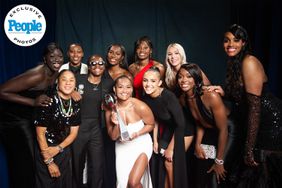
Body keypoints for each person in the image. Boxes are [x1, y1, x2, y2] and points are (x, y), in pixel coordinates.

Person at [211, 24, 282, 187]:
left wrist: (249, 148)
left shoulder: (249, 61)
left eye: (236, 40)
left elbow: (255, 108)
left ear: (243, 43)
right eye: (226, 40)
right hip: (257, 121)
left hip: (271, 122)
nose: (230, 45)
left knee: (263, 172)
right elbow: (243, 96)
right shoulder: (236, 62)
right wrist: (224, 92)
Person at [0, 42, 64, 188]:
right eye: (52, 56)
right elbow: (2, 91)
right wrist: (32, 101)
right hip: (13, 121)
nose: (57, 59)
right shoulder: (37, 75)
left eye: (60, 56)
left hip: (29, 119)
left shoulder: (55, 74)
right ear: (45, 59)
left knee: (33, 161)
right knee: (24, 163)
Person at [177, 63, 229, 188]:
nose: (184, 80)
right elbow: (199, 122)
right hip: (209, 131)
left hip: (229, 131)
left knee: (217, 173)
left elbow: (224, 129)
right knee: (201, 167)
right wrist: (197, 144)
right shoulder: (183, 99)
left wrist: (219, 160)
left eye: (189, 77)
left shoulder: (210, 96)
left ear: (196, 79)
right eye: (180, 77)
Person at [142, 67, 189, 188]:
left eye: (152, 81)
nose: (148, 84)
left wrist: (171, 149)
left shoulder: (169, 97)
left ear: (159, 83)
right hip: (170, 128)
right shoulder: (146, 97)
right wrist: (155, 141)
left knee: (170, 162)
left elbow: (180, 124)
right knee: (160, 162)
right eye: (145, 80)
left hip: (184, 129)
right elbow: (156, 118)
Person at [104, 75, 155, 188]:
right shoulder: (110, 108)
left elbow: (151, 124)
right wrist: (117, 123)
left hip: (141, 144)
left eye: (128, 87)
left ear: (132, 89)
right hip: (122, 147)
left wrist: (137, 133)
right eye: (121, 87)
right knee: (123, 183)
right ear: (114, 89)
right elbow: (112, 137)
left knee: (133, 182)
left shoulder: (140, 106)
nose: (124, 91)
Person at [72, 54, 114, 188]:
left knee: (97, 164)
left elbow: (117, 98)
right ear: (88, 66)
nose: (97, 66)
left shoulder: (108, 82)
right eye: (93, 63)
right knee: (77, 161)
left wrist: (110, 103)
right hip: (79, 126)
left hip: (98, 127)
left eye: (100, 63)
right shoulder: (78, 79)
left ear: (104, 66)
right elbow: (60, 87)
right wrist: (71, 92)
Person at [34, 70, 81, 188]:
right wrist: (49, 162)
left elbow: (74, 133)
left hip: (62, 149)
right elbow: (40, 134)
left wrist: (59, 148)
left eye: (71, 80)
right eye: (64, 79)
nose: (68, 83)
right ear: (57, 82)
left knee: (64, 184)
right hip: (45, 149)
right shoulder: (48, 102)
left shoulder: (75, 104)